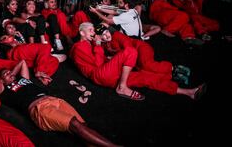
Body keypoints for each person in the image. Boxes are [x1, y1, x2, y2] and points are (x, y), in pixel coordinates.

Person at [0, 61, 121, 147]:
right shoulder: (5, 91)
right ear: (2, 81)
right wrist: (5, 76)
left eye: (9, 71)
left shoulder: (23, 79)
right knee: (74, 124)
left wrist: (11, 73)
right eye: (5, 74)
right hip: (39, 108)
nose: (9, 73)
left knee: (82, 126)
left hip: (54, 100)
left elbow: (22, 62)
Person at [70, 22, 207, 101]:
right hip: (100, 75)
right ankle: (122, 87)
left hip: (110, 76)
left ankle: (188, 92)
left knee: (145, 77)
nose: (94, 33)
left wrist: (109, 57)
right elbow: (98, 65)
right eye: (91, 30)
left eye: (94, 30)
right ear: (81, 33)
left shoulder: (94, 44)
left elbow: (104, 59)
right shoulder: (78, 47)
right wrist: (99, 47)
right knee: (131, 52)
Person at [0, 21, 64, 85]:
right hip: (16, 52)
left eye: (13, 27)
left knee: (54, 60)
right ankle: (39, 71)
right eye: (9, 27)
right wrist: (10, 38)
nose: (12, 28)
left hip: (25, 57)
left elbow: (26, 46)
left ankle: (43, 77)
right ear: (4, 30)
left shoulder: (18, 35)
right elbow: (4, 41)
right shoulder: (4, 36)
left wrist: (21, 37)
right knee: (46, 47)